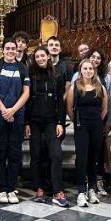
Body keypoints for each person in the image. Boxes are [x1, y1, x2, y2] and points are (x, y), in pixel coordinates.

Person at [24, 46, 68, 207]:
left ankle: (58, 191)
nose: (40, 59)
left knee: (55, 154)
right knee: (36, 155)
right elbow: (27, 101)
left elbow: (60, 103)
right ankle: (39, 188)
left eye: (43, 56)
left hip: (51, 121)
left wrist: (60, 123)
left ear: (48, 56)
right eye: (37, 57)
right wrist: (27, 123)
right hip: (34, 121)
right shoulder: (31, 74)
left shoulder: (57, 75)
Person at [0, 39, 30, 204]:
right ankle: (0, 189)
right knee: (0, 152)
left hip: (17, 115)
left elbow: (26, 93)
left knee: (14, 153)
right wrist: (4, 110)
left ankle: (11, 188)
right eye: (8, 48)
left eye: (13, 48)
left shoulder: (22, 68)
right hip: (0, 114)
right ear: (3, 50)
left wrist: (13, 110)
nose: (11, 51)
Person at [67, 58, 107, 207]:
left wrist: (98, 121)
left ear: (94, 70)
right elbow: (69, 108)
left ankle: (91, 188)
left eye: (91, 68)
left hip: (96, 125)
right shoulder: (74, 87)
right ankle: (81, 191)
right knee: (82, 158)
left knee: (93, 158)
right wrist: (77, 122)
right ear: (80, 71)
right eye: (85, 69)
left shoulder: (100, 87)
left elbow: (104, 109)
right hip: (81, 125)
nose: (88, 71)